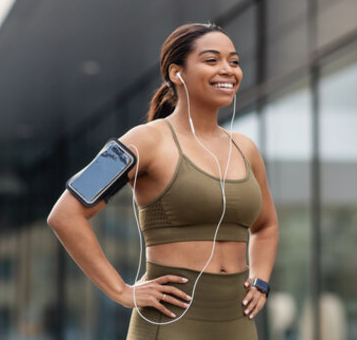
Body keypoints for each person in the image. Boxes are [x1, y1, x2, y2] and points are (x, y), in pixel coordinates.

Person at [46, 23, 278, 339]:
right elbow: (65, 215)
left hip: (237, 320)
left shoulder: (246, 149)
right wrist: (122, 292)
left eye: (234, 62)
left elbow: (265, 226)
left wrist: (261, 280)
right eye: (212, 60)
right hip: (171, 321)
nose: (228, 70)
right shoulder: (143, 141)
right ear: (175, 73)